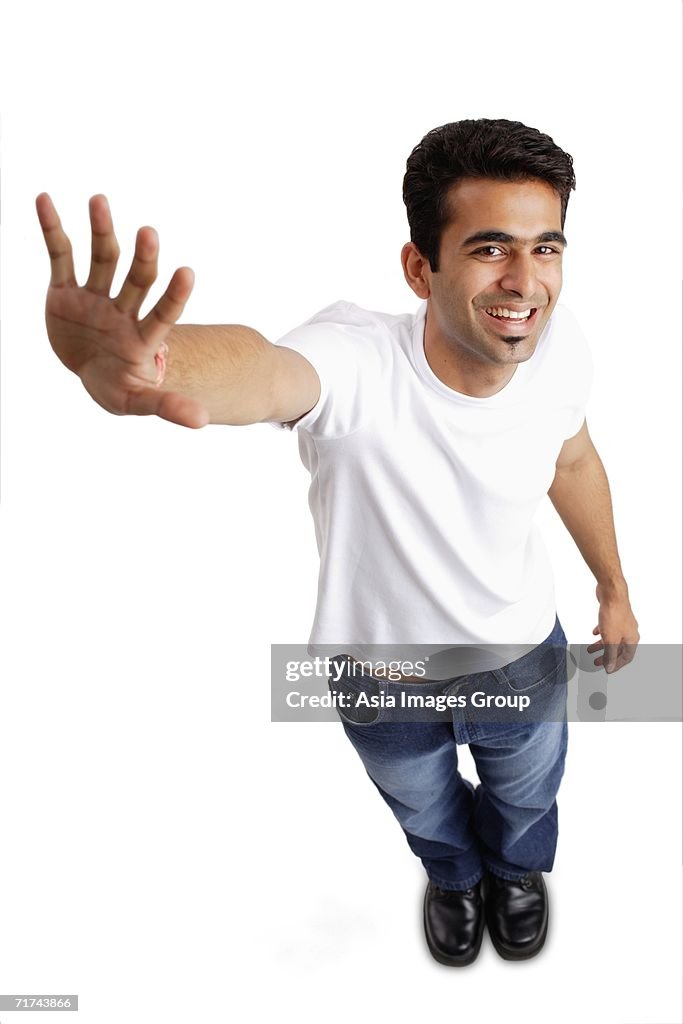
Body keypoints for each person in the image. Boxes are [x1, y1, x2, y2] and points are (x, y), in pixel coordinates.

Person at [36, 118, 639, 967]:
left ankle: (512, 873)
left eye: (546, 248)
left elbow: (570, 458)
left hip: (518, 658)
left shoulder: (559, 343)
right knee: (425, 809)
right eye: (490, 248)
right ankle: (456, 879)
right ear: (419, 267)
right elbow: (268, 370)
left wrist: (612, 587)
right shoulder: (357, 360)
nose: (524, 281)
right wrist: (160, 362)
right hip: (383, 677)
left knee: (528, 799)